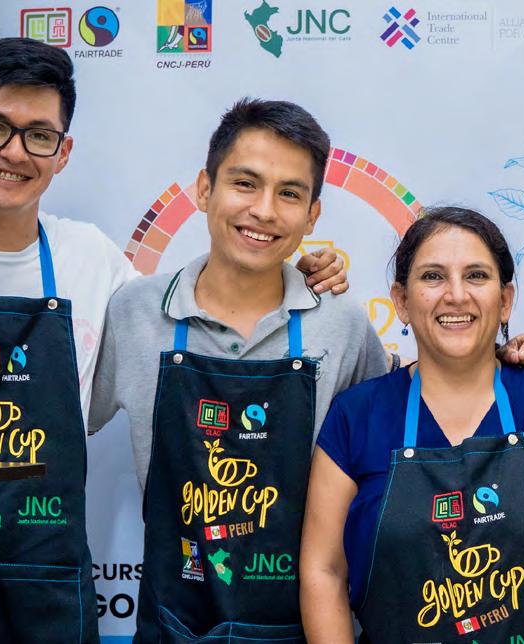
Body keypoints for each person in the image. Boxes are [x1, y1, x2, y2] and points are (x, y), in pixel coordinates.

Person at [0, 41, 346, 644]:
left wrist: (298, 274)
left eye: (39, 135)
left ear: (63, 152)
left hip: (49, 598)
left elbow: (205, 303)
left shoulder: (95, 265)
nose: (14, 152)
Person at [87, 98, 390, 643]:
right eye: (245, 184)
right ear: (205, 189)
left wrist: (511, 362)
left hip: (308, 626)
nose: (264, 210)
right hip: (172, 625)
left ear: (312, 216)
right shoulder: (133, 312)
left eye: (289, 193)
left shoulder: (343, 327)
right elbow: (63, 426)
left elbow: (395, 459)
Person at [301, 207, 524, 643]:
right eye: (433, 277)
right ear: (401, 301)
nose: (456, 295)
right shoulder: (355, 418)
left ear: (505, 300)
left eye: (476, 276)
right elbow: (324, 571)